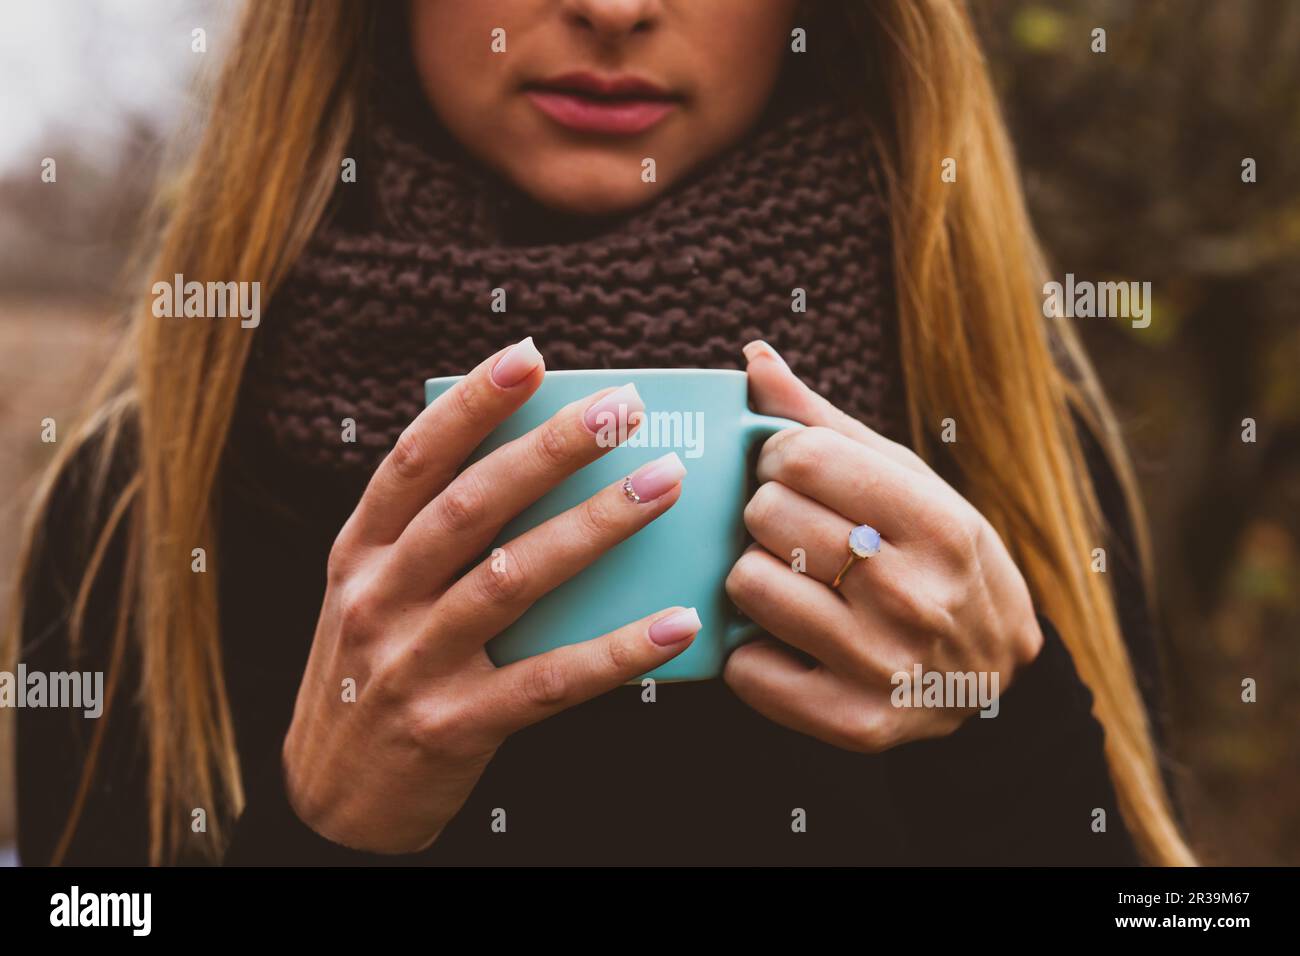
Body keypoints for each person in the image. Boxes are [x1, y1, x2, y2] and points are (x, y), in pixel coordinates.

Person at [9, 0, 1194, 865]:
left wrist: (1006, 730)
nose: (615, 10)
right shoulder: (141, 502)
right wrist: (332, 830)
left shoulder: (1009, 443)